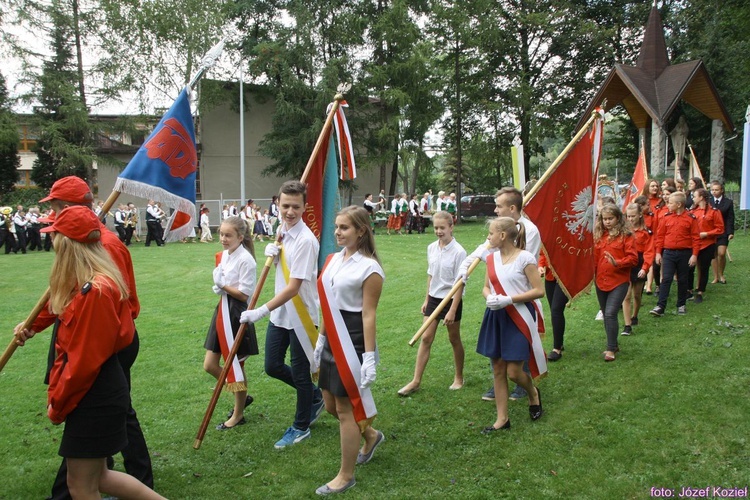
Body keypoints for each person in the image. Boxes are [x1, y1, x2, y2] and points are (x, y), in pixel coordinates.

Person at [14, 176, 154, 498]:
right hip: (90, 341)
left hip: (106, 345)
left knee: (112, 416)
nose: (52, 220)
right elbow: (64, 295)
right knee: (94, 466)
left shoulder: (103, 252)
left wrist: (59, 401)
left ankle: (137, 476)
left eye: (55, 208)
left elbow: (100, 331)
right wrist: (34, 324)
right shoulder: (82, 253)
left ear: (69, 208)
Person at [239, 180, 324, 449]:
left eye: (295, 207)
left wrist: (261, 311)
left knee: (300, 373)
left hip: (300, 313)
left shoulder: (306, 241)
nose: (289, 212)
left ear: (304, 207)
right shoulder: (281, 230)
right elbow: (283, 270)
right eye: (285, 206)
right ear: (277, 204)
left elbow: (294, 287)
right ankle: (315, 396)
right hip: (281, 314)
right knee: (272, 365)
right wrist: (274, 256)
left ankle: (301, 427)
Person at [313, 206, 385, 495]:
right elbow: (327, 305)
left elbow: (368, 315)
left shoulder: (370, 268)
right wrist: (320, 340)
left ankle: (346, 475)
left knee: (345, 409)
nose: (337, 232)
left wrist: (368, 358)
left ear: (361, 231)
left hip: (353, 339)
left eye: (344, 228)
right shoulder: (332, 260)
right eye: (337, 227)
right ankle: (370, 434)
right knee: (330, 404)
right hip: (331, 335)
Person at [457, 187, 540, 402]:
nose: (495, 210)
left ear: (512, 208)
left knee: (519, 348)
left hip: (519, 299)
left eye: (499, 206)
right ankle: (499, 382)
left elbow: (518, 259)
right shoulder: (496, 230)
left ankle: (524, 383)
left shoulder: (529, 230)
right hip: (497, 303)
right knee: (499, 348)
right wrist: (463, 270)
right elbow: (479, 253)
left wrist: (507, 297)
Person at [476, 217, 545, 433]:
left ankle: (532, 393)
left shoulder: (524, 258)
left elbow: (538, 290)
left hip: (518, 315)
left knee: (514, 372)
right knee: (497, 367)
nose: (488, 237)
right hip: (496, 315)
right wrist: (490, 298)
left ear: (503, 236)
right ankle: (502, 419)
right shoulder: (491, 259)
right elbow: (486, 287)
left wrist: (510, 299)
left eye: (491, 234)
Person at [398, 211, 466, 396]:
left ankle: (459, 377)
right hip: (434, 298)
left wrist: (452, 310)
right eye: (436, 228)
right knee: (426, 338)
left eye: (442, 228)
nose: (438, 231)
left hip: (451, 299)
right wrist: (427, 299)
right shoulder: (431, 248)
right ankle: (415, 381)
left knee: (454, 339)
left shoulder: (459, 252)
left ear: (451, 227)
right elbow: (431, 275)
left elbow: (460, 283)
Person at [203, 216, 258, 430]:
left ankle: (238, 413)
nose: (223, 239)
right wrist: (221, 287)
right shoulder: (226, 255)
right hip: (223, 310)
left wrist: (223, 285)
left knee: (235, 366)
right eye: (221, 234)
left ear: (240, 237)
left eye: (228, 235)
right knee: (210, 365)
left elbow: (244, 295)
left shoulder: (246, 260)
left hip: (236, 313)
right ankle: (241, 395)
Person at [594, 203, 637, 361]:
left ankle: (610, 349)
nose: (607, 222)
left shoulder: (627, 236)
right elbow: (595, 258)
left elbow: (633, 258)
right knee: (606, 314)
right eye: (604, 219)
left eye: (610, 218)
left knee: (611, 312)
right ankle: (614, 344)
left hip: (619, 281)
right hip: (600, 280)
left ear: (618, 218)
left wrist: (617, 262)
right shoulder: (600, 236)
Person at [650, 192, 701, 317]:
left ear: (679, 204)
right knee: (666, 279)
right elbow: (660, 237)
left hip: (685, 253)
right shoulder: (666, 217)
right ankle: (661, 306)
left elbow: (695, 238)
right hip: (668, 253)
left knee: (683, 279)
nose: (668, 205)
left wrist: (694, 255)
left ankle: (681, 304)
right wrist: (658, 253)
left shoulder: (690, 218)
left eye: (670, 203)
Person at [620, 203, 654, 336]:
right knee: (626, 295)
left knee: (637, 295)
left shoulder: (646, 232)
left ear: (640, 215)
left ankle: (635, 316)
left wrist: (645, 268)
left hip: (640, 262)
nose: (630, 219)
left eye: (633, 216)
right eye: (628, 216)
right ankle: (627, 325)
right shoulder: (624, 231)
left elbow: (649, 251)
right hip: (628, 263)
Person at [689, 188, 724, 303]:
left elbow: (720, 229)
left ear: (701, 197)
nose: (693, 198)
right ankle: (689, 289)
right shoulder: (693, 211)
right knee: (690, 267)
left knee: (704, 268)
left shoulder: (714, 211)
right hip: (694, 244)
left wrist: (707, 234)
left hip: (707, 244)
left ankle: (700, 291)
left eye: (695, 196)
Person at [538, 249, 569, 362]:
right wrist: (541, 265)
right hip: (550, 276)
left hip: (566, 276)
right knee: (555, 311)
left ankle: (556, 349)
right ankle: (559, 344)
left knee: (556, 310)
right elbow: (543, 252)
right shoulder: (549, 233)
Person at [709, 181, 734, 284]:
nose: (714, 192)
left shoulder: (728, 202)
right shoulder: (708, 202)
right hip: (711, 232)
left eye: (716, 190)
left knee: (721, 253)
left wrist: (730, 232)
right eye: (712, 190)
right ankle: (715, 277)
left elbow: (730, 218)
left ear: (721, 190)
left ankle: (721, 274)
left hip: (723, 232)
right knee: (713, 254)